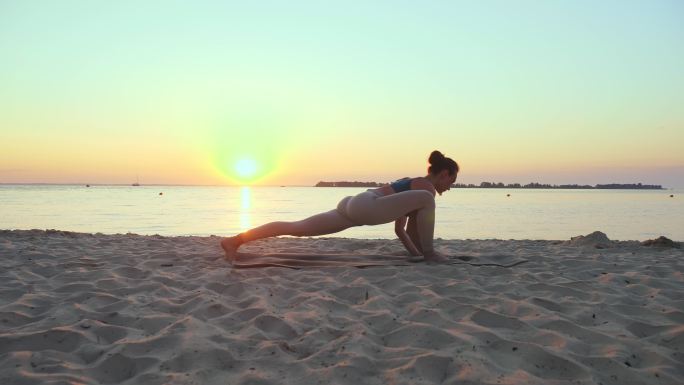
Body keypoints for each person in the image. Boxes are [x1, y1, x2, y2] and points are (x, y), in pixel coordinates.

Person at [221, 150, 459, 264]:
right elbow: (417, 228)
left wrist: (415, 254)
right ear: (444, 173)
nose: (450, 187)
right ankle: (431, 253)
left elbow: (401, 230)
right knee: (428, 201)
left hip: (353, 205)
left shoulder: (413, 190)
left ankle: (235, 240)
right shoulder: (425, 190)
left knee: (298, 227)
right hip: (367, 206)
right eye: (452, 181)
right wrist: (428, 254)